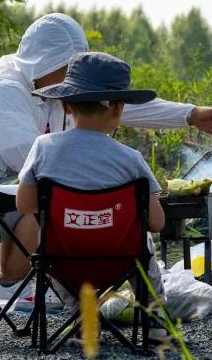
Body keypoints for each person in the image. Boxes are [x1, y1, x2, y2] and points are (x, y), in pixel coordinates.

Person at [0, 13, 212, 300]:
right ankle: (12, 290)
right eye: (68, 67)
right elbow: (38, 166)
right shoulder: (4, 91)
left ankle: (46, 286)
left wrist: (189, 115)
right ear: (44, 62)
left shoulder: (46, 84)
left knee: (52, 198)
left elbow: (113, 104)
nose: (73, 75)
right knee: (48, 197)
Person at [16, 52, 167, 305]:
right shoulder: (131, 159)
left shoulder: (43, 147)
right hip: (120, 261)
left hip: (63, 260)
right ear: (118, 108)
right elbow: (156, 222)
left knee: (48, 237)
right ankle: (153, 316)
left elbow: (25, 204)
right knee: (145, 242)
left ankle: (80, 315)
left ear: (66, 105)